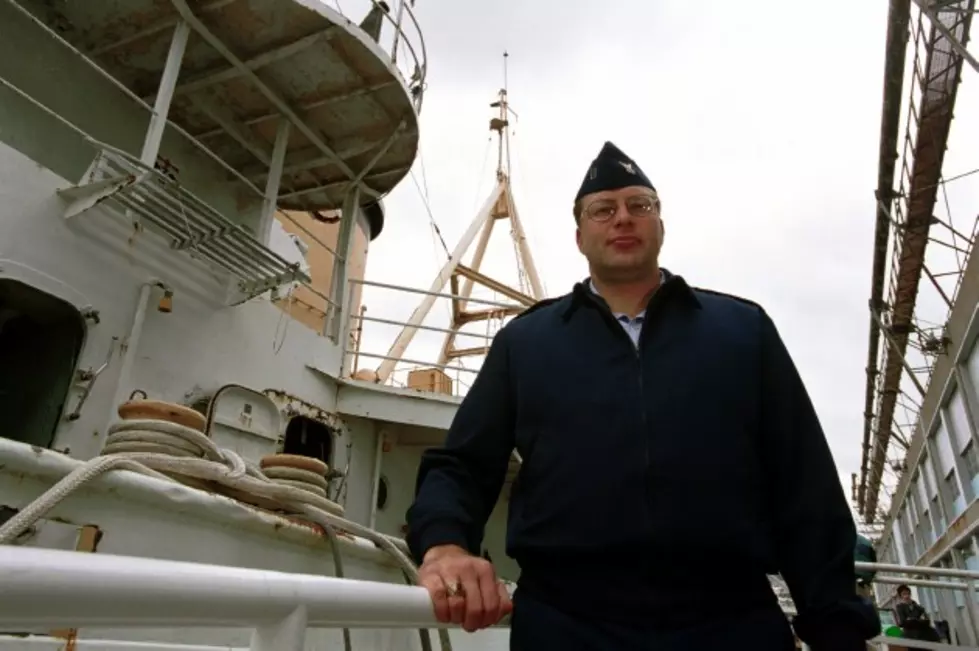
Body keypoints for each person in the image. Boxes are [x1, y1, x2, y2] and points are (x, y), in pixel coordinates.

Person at [405, 141, 880, 650]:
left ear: (660, 224)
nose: (623, 219)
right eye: (603, 210)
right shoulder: (524, 344)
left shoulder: (743, 332)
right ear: (580, 236)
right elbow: (461, 465)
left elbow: (803, 484)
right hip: (567, 625)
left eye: (640, 206)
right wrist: (446, 545)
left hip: (730, 621)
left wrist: (837, 628)